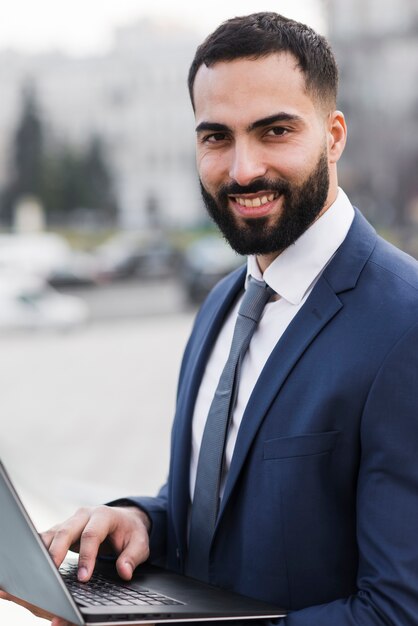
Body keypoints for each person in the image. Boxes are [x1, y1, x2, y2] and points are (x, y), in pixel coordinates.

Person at [2, 11, 418, 626]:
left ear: (334, 136)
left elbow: (397, 612)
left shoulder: (404, 325)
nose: (242, 169)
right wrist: (143, 520)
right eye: (216, 137)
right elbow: (221, 506)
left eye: (275, 131)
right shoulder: (224, 303)